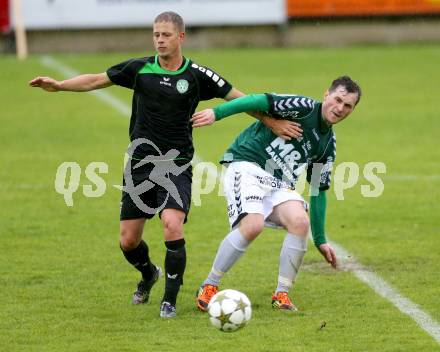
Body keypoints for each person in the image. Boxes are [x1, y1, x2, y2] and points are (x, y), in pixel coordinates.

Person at [29, 12, 302, 318]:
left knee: (172, 225)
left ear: (180, 37)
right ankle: (148, 274)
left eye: (166, 35)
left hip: (177, 166)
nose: (159, 40)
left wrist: (271, 121)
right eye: (156, 34)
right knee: (128, 240)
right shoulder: (139, 68)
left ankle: (169, 301)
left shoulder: (197, 75)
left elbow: (238, 97)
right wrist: (60, 85)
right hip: (139, 167)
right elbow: (96, 79)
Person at [192, 76, 361, 312]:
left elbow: (318, 190)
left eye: (347, 106)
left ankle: (281, 295)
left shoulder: (327, 144)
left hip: (279, 182)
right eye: (338, 100)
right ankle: (209, 286)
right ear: (327, 95)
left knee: (300, 222)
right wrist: (216, 113)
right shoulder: (301, 107)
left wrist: (321, 240)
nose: (340, 108)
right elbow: (255, 100)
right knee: (253, 226)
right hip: (247, 163)